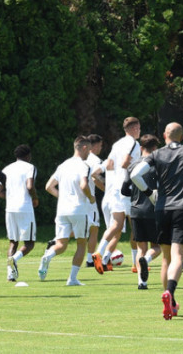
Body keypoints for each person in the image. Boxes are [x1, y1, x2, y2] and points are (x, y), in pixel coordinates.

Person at [130, 122, 183, 320]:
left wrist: (149, 193)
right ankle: (170, 293)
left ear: (164, 135)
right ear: (181, 137)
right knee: (178, 255)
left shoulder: (156, 154)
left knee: (165, 258)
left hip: (162, 208)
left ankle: (170, 303)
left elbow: (135, 174)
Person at [38, 136, 98, 286]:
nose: (89, 153)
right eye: (89, 150)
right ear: (83, 148)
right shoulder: (84, 165)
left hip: (62, 210)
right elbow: (84, 185)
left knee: (61, 244)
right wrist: (91, 198)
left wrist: (62, 197)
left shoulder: (63, 165)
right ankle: (72, 279)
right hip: (79, 210)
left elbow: (48, 186)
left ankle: (48, 255)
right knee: (81, 243)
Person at [94, 117, 141, 273]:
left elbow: (109, 164)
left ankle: (101, 254)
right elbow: (124, 163)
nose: (139, 131)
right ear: (134, 129)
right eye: (139, 128)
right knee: (135, 224)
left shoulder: (117, 144)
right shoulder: (133, 143)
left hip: (114, 189)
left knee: (116, 225)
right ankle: (136, 263)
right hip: (127, 188)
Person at [0, 144, 39, 282]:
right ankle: (14, 259)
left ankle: (10, 274)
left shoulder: (7, 168)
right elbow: (30, 186)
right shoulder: (29, 167)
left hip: (10, 209)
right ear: (28, 156)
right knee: (29, 243)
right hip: (25, 208)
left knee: (13, 242)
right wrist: (35, 198)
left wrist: (12, 196)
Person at [122, 134, 162, 289]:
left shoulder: (132, 165)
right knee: (157, 246)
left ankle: (141, 281)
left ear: (140, 148)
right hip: (153, 209)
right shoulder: (157, 164)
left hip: (136, 210)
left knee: (140, 247)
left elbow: (124, 190)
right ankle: (147, 260)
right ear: (155, 148)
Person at [84, 134, 106, 268]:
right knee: (94, 228)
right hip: (89, 199)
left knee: (82, 228)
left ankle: (55, 241)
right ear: (94, 145)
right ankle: (90, 259)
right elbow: (95, 178)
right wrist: (107, 188)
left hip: (78, 198)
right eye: (100, 145)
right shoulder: (95, 160)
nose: (101, 148)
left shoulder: (81, 158)